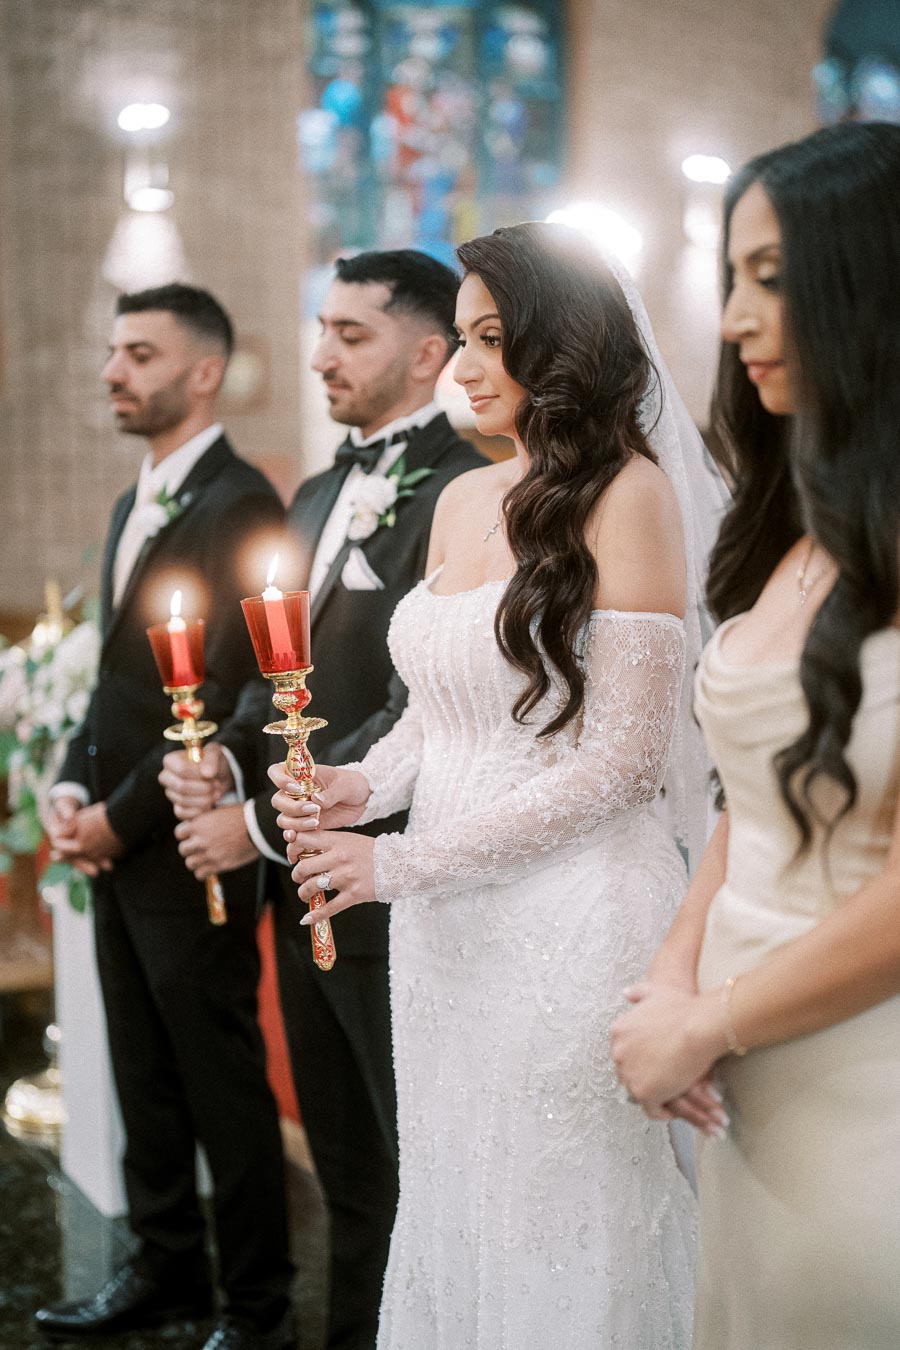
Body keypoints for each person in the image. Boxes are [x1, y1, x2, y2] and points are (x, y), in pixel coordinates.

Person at [272, 222, 727, 1348]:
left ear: (558, 345)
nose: (464, 365)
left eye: (491, 337)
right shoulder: (467, 500)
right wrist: (354, 785)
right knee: (457, 1196)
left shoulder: (629, 497)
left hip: (573, 922)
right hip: (448, 936)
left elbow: (623, 765)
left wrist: (401, 859)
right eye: (463, 336)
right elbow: (441, 713)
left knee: (563, 1212)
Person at [158, 250, 486, 1350]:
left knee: (412, 1168)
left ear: (430, 352)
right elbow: (268, 678)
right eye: (321, 329)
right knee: (345, 1170)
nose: (319, 355)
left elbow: (414, 703)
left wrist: (255, 823)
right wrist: (229, 767)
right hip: (306, 882)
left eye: (352, 333)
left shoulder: (464, 487)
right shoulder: (309, 492)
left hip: (403, 880)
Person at [610, 121, 900, 1349]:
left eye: (770, 279)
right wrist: (675, 981)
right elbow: (746, 796)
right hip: (741, 1078)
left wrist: (713, 1019)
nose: (731, 318)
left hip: (866, 1073)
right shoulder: (785, 532)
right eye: (733, 277)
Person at [36, 284, 295, 1350]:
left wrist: (119, 819)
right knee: (142, 1069)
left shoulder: (241, 503)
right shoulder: (131, 498)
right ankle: (167, 1272)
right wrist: (66, 778)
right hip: (119, 840)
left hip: (190, 839)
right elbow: (118, 682)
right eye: (111, 351)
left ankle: (261, 1306)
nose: (112, 371)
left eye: (137, 353)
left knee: (218, 1080)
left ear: (202, 373)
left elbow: (230, 694)